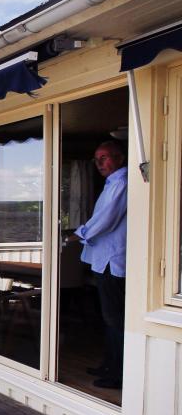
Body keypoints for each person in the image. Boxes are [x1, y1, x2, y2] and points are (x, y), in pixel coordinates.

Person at [70, 141, 127, 389]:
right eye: (96, 159)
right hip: (104, 261)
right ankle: (109, 363)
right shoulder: (112, 183)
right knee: (108, 317)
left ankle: (118, 373)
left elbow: (106, 221)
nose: (100, 164)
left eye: (105, 158)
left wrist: (78, 233)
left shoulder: (122, 183)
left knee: (115, 319)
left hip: (114, 262)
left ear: (120, 158)